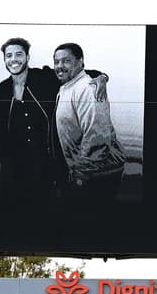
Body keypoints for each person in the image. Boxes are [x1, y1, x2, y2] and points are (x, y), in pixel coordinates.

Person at [0, 37, 108, 205]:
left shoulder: (45, 78)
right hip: (14, 171)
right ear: (4, 60)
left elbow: (78, 73)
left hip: (46, 169)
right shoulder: (1, 90)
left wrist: (102, 77)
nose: (13, 59)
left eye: (19, 54)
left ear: (27, 57)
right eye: (9, 56)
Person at [52, 42, 125, 207]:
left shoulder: (87, 89)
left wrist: (80, 176)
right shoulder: (67, 87)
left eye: (66, 61)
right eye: (56, 61)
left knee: (90, 224)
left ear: (80, 62)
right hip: (86, 172)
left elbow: (97, 138)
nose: (59, 66)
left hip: (97, 174)